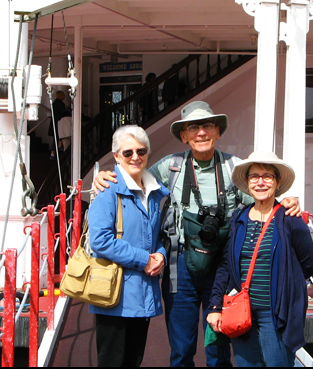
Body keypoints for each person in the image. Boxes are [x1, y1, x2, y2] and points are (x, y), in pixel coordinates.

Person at [93, 101, 301, 367]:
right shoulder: (170, 167)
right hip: (180, 266)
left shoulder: (233, 168)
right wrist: (101, 178)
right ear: (184, 136)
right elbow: (132, 174)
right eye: (193, 127)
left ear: (217, 132)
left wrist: (288, 200)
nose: (201, 132)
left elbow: (263, 192)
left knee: (218, 347)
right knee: (181, 348)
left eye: (207, 126)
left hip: (221, 266)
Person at [206, 151, 313, 367]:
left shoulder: (289, 219)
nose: (260, 182)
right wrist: (214, 306)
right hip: (241, 312)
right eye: (254, 176)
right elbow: (226, 267)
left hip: (275, 315)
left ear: (277, 183)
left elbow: (309, 264)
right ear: (247, 184)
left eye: (267, 176)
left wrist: (284, 282)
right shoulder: (238, 219)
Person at [88, 125, 169, 367]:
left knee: (133, 360)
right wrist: (144, 260)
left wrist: (161, 256)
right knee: (112, 361)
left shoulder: (153, 192)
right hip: (114, 295)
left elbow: (161, 235)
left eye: (141, 151)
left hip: (142, 295)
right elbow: (100, 240)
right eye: (128, 152)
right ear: (116, 156)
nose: (135, 157)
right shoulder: (108, 190)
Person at [49, 90, 70, 159]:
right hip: (58, 123)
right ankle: (54, 153)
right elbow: (62, 113)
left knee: (56, 138)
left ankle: (53, 153)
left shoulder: (55, 103)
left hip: (55, 122)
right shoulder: (60, 104)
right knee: (57, 138)